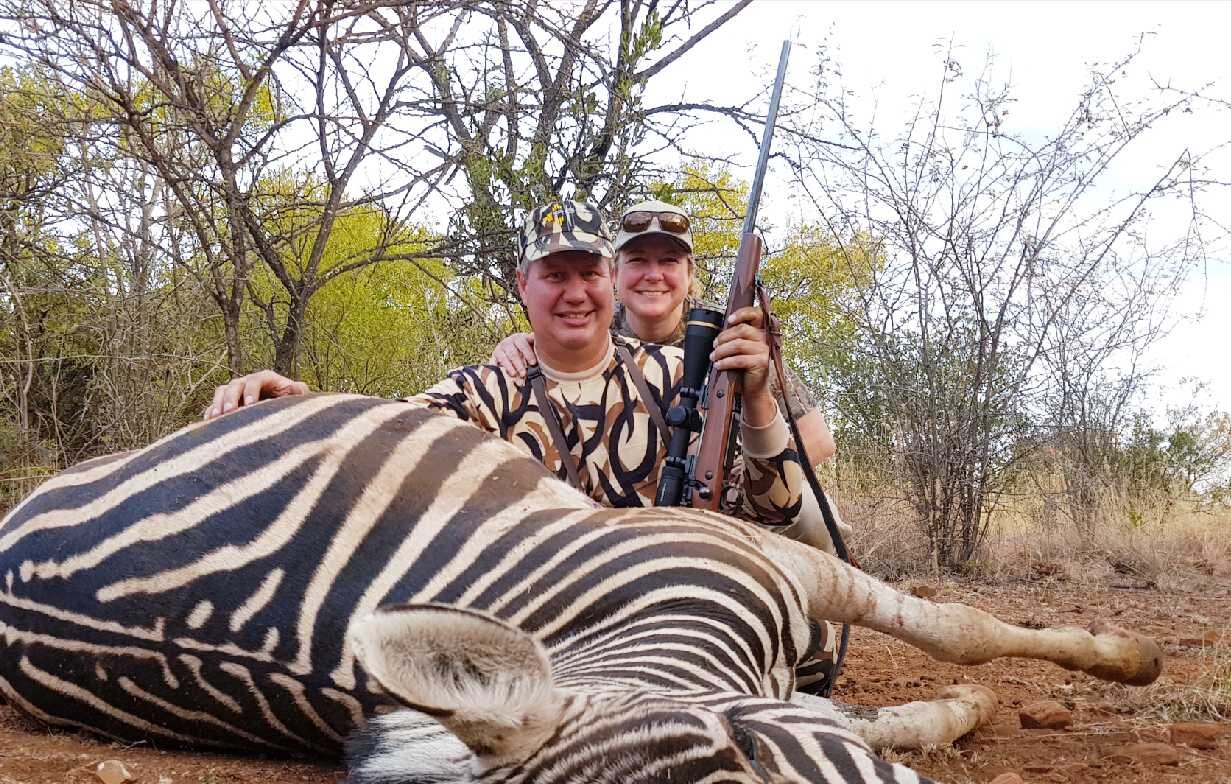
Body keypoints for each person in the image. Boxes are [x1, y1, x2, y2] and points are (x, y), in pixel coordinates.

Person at [205, 198, 839, 692]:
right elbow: (385, 437)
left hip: (677, 630)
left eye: (588, 273)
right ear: (522, 284)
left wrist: (756, 398)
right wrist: (295, 401)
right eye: (553, 274)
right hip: (552, 638)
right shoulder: (486, 389)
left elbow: (774, 510)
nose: (574, 292)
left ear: (608, 283)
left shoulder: (684, 379)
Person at [489, 198, 838, 473]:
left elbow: (818, 440)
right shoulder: (592, 332)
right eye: (638, 260)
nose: (653, 275)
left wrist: (729, 477)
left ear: (689, 274)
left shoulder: (730, 336)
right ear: (614, 274)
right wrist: (517, 345)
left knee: (810, 521)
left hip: (729, 503)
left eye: (669, 261)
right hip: (632, 496)